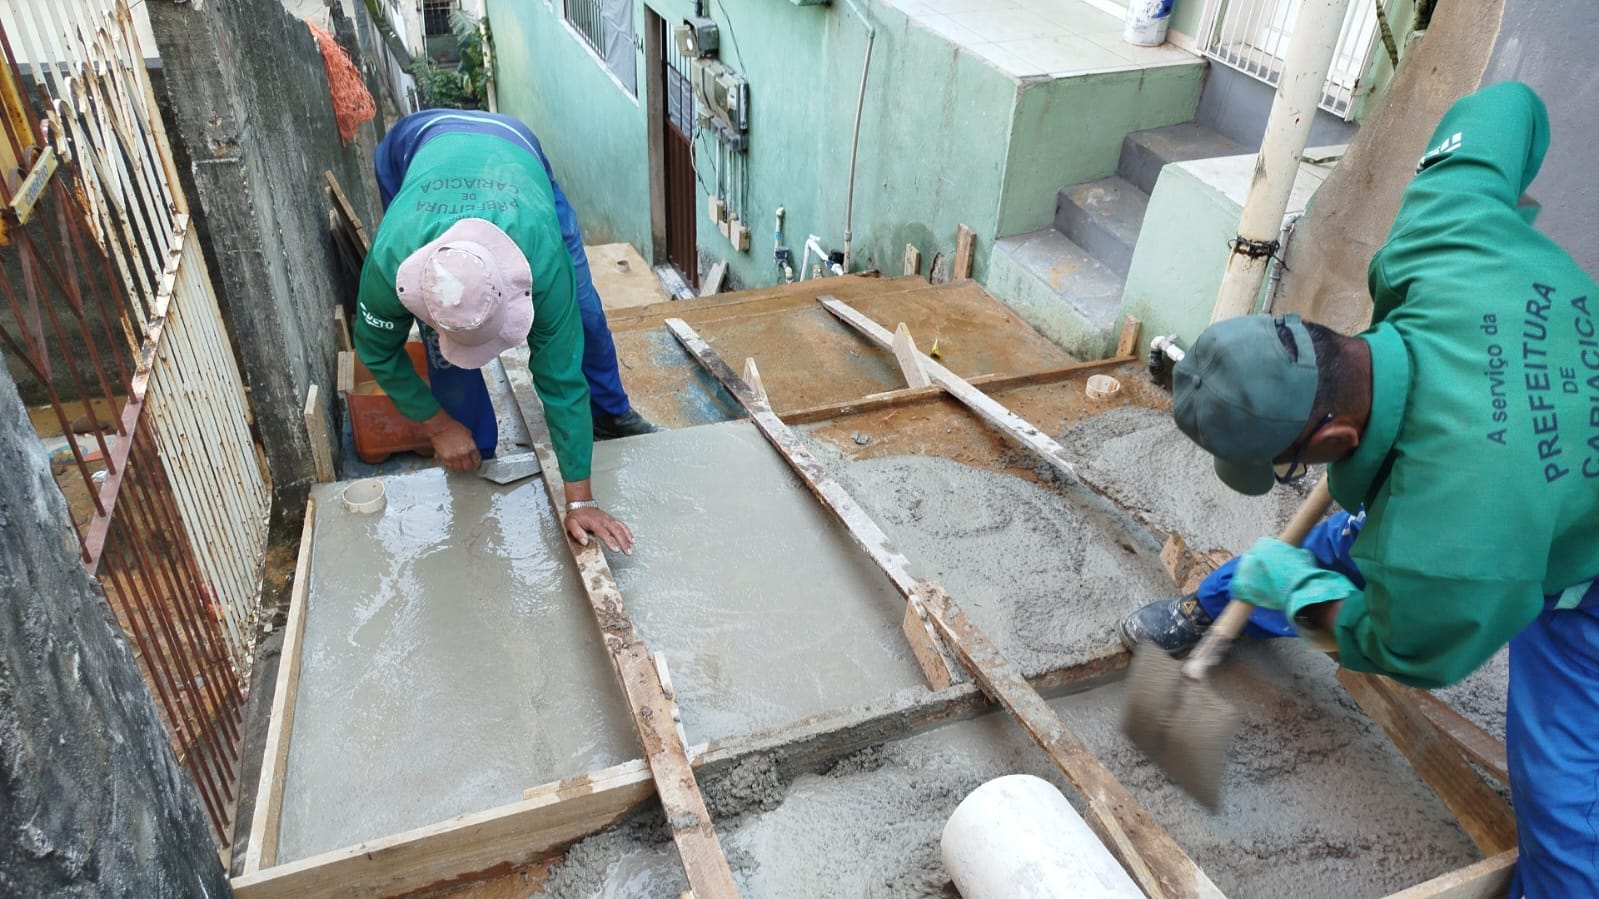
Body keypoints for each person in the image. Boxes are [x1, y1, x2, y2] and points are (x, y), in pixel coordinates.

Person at [1120, 82, 1598, 896]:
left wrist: (1310, 597)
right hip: (1486, 473)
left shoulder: (1448, 549)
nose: (1296, 479)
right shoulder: (1440, 230)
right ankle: (1223, 602)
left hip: (1571, 554)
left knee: (1563, 801)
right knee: (1339, 536)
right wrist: (1495, 221)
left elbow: (1396, 645)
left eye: (1290, 464)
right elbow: (1513, 105)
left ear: (1334, 437)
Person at [354, 110, 652, 554]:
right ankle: (473, 448)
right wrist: (436, 426)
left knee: (583, 317)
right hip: (413, 148)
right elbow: (377, 351)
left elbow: (560, 377)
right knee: (442, 350)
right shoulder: (393, 258)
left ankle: (610, 412)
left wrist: (581, 498)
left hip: (515, 152)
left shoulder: (542, 259)